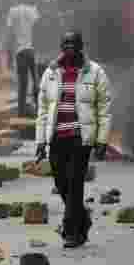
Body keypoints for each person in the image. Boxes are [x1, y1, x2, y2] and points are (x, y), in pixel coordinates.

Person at [35, 31, 112, 249]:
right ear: (61, 47)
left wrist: (102, 140)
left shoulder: (95, 72)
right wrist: (40, 141)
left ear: (80, 47)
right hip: (57, 136)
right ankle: (82, 219)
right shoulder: (50, 72)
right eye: (65, 43)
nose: (69, 47)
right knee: (61, 182)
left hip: (81, 137)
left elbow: (104, 108)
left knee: (75, 183)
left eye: (73, 43)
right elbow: (42, 109)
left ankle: (71, 232)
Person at [6, 0, 40, 117]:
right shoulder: (33, 11)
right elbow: (37, 30)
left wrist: (9, 53)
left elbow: (10, 34)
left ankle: (21, 112)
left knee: (22, 83)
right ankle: (38, 108)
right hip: (31, 50)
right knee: (36, 81)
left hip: (20, 51)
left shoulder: (12, 11)